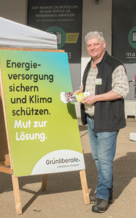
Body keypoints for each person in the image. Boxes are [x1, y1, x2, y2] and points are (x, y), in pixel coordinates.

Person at [75, 31, 129, 213]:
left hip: (107, 118)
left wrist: (96, 98)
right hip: (91, 119)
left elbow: (121, 90)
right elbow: (90, 86)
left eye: (95, 45)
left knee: (105, 160)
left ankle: (103, 196)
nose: (91, 48)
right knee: (98, 158)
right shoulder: (90, 65)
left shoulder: (115, 65)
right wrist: (80, 91)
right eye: (89, 45)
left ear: (103, 44)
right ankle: (107, 192)